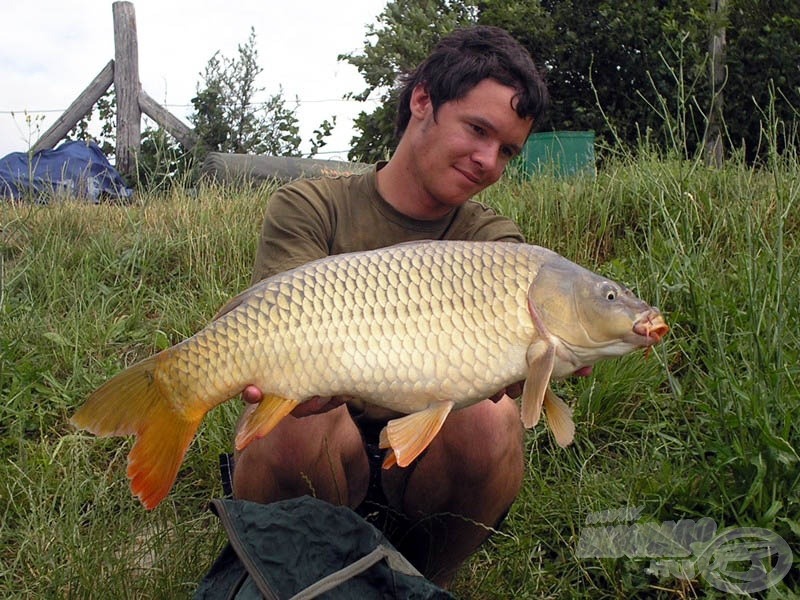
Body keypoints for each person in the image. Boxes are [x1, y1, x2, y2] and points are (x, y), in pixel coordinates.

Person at [231, 25, 549, 588]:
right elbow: (271, 339)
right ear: (422, 100)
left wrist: (550, 356)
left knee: (490, 419)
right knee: (296, 422)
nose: (487, 161)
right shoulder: (311, 206)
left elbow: (519, 366)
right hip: (328, 447)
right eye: (477, 129)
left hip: (423, 469)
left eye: (506, 150)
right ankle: (311, 575)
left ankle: (426, 581)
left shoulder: (495, 242)